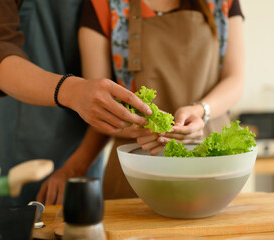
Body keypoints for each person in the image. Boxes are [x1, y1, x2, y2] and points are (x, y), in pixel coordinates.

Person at [0, 0, 152, 206]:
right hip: (0, 131)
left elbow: (109, 80)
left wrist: (77, 166)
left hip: (81, 147)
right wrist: (72, 90)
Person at [74, 0, 245, 199]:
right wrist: (144, 126)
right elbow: (96, 103)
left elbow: (235, 80)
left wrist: (200, 111)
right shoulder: (103, 4)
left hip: (210, 164)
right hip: (138, 169)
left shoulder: (223, 3)